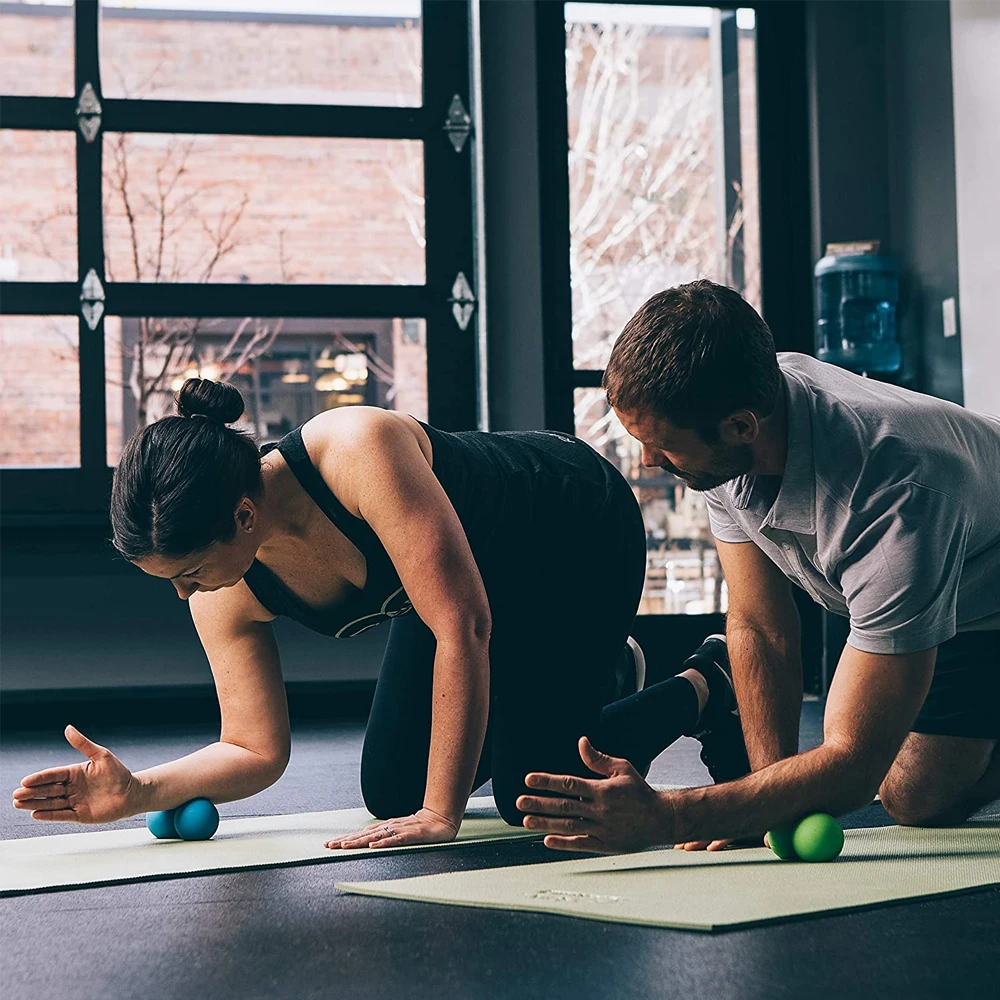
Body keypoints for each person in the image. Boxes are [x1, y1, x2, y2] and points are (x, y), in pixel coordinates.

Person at [12, 378, 748, 847]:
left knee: (538, 792)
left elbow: (464, 627)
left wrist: (443, 817)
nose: (185, 594)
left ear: (242, 517)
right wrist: (143, 790)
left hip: (569, 529)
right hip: (457, 594)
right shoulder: (224, 593)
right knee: (391, 792)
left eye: (189, 572)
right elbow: (253, 748)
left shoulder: (355, 450)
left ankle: (708, 682)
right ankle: (598, 673)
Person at [518, 279, 1000, 854]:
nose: (648, 460)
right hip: (936, 585)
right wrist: (762, 804)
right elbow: (759, 625)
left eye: (662, 445)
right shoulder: (729, 434)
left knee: (912, 795)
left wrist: (672, 817)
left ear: (743, 426)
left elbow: (851, 765)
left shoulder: (893, 497)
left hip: (985, 602)